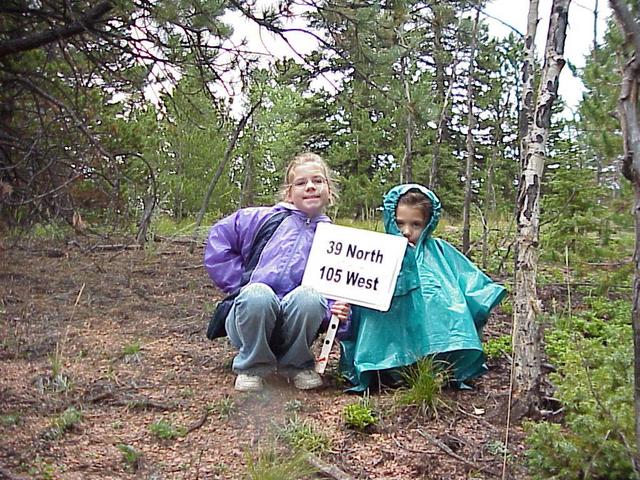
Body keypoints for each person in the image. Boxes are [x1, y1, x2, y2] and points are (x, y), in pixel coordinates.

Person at [204, 152, 351, 392]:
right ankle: (251, 367)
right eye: (301, 183)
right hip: (250, 317)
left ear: (328, 190)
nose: (310, 187)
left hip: (295, 326)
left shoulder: (334, 238)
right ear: (289, 192)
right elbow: (219, 239)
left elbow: (339, 283)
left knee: (310, 297)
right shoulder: (261, 218)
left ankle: (296, 365)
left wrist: (335, 309)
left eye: (318, 181)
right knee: (258, 294)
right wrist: (238, 283)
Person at [340, 183, 506, 392]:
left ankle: (434, 367)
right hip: (383, 342)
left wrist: (483, 297)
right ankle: (384, 369)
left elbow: (469, 283)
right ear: (390, 220)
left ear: (428, 224)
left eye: (416, 225)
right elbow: (353, 285)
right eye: (399, 224)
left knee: (442, 300)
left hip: (433, 351)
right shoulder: (375, 254)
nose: (406, 232)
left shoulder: (439, 251)